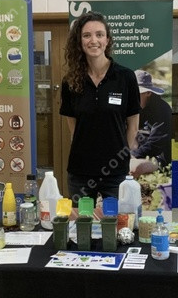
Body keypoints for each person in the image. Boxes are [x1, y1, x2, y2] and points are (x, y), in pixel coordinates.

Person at [60, 11, 140, 206]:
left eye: (99, 34)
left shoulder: (125, 77)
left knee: (117, 221)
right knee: (82, 222)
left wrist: (122, 158)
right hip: (80, 171)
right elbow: (73, 128)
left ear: (107, 40)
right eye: (87, 35)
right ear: (79, 41)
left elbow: (133, 126)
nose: (93, 40)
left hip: (115, 173)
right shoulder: (70, 81)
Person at [132, 70, 172, 168]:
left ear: (148, 93)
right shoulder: (135, 108)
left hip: (157, 157)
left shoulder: (162, 110)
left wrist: (133, 156)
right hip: (135, 153)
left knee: (135, 167)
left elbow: (156, 144)